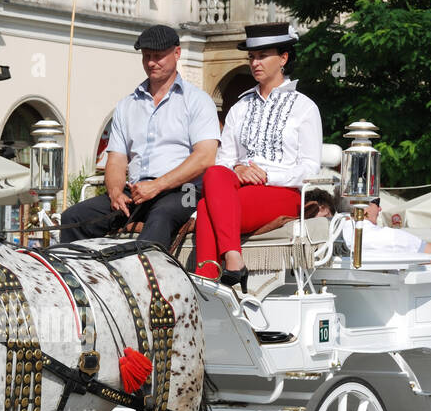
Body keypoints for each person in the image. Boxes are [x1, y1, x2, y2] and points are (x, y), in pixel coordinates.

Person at [60, 24, 221, 248]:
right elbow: (116, 159)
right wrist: (116, 191)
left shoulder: (198, 101)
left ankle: (147, 278)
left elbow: (205, 157)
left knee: (162, 215)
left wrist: (157, 185)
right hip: (136, 190)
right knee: (74, 218)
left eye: (158, 56)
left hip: (185, 191)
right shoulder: (127, 105)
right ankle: (82, 279)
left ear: (177, 53)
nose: (151, 63)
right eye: (146, 56)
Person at [193, 22, 323, 284]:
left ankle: (207, 280)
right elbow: (224, 160)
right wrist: (239, 171)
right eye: (252, 57)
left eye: (263, 56)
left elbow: (310, 169)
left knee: (206, 206)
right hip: (237, 188)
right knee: (217, 172)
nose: (255, 63)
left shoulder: (305, 108)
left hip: (284, 193)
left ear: (283, 58)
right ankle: (231, 261)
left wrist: (266, 175)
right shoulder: (239, 108)